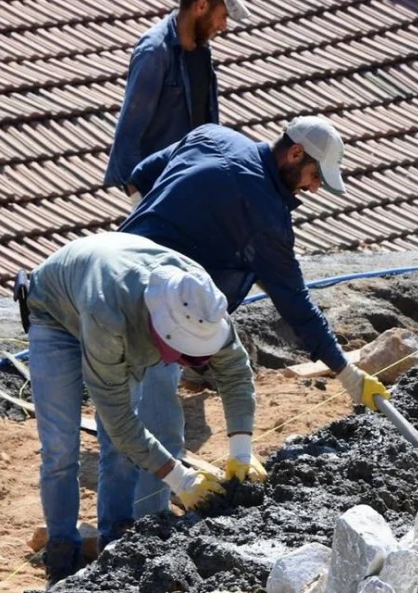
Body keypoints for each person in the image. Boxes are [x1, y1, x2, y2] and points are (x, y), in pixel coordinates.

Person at [117, 116, 390, 517]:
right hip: (166, 316)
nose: (314, 187)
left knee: (122, 412)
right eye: (315, 175)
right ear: (296, 153)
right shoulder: (264, 214)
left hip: (119, 277)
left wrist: (147, 234)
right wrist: (345, 372)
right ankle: (145, 530)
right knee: (160, 426)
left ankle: (115, 525)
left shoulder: (214, 135)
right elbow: (297, 305)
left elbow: (139, 176)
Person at [19, 231, 267, 587]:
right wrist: (180, 479)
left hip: (114, 303)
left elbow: (235, 372)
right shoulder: (110, 316)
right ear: (161, 333)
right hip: (55, 315)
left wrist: (242, 450)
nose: (189, 364)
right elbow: (119, 418)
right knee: (60, 447)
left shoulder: (199, 298)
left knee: (121, 453)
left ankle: (117, 547)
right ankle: (62, 553)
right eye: (185, 355)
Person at [103, 0, 249, 205]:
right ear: (201, 6)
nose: (224, 26)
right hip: (158, 195)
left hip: (193, 191)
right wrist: (140, 201)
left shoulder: (201, 50)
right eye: (223, 15)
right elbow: (127, 138)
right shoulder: (154, 52)